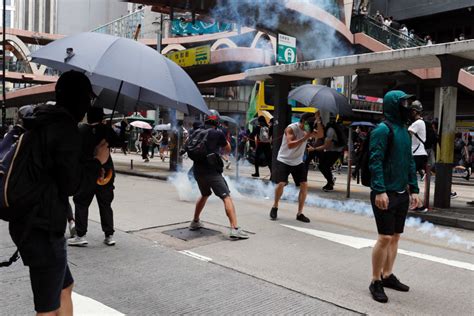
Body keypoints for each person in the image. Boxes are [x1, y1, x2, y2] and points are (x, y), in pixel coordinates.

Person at [8, 70, 110, 314]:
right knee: (47, 307)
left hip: (29, 221)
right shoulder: (64, 129)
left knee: (65, 287)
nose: (88, 105)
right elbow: (71, 185)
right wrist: (98, 160)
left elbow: (54, 171)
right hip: (42, 226)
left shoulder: (42, 120)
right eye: (87, 98)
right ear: (79, 99)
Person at [368, 90, 420, 303]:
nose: (408, 106)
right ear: (393, 105)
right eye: (404, 102)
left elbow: (409, 161)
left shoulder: (404, 131)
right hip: (385, 193)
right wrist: (379, 190)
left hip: (401, 193)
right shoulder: (382, 129)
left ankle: (387, 275)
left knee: (396, 236)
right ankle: (375, 280)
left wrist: (414, 189)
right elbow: (375, 161)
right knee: (385, 237)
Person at [188, 112, 249, 239]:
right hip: (211, 171)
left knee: (205, 194)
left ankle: (195, 221)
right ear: (217, 122)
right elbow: (227, 149)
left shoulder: (196, 132)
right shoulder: (217, 133)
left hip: (197, 170)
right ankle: (234, 228)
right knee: (226, 197)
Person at [68, 107, 121, 247]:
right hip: (107, 172)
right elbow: (119, 142)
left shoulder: (81, 130)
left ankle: (81, 235)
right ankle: (109, 235)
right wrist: (107, 129)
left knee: (81, 202)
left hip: (88, 172)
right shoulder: (107, 130)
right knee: (105, 204)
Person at [270, 112, 322, 223]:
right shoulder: (291, 128)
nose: (310, 127)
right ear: (303, 122)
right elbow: (290, 145)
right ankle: (275, 206)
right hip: (284, 159)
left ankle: (300, 213)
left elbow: (321, 135)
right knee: (281, 183)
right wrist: (305, 137)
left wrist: (319, 121)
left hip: (298, 161)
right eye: (309, 124)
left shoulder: (309, 129)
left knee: (304, 185)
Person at [314, 117, 346, 192]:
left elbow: (326, 146)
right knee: (323, 165)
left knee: (324, 166)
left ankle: (330, 183)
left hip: (335, 150)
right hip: (332, 150)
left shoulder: (330, 130)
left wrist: (314, 149)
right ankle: (330, 179)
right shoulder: (329, 128)